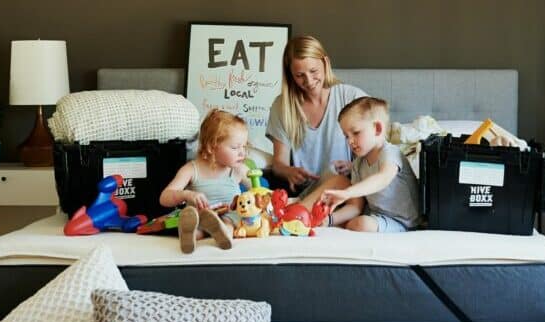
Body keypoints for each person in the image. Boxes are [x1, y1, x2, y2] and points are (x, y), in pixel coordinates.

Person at [265, 35, 366, 227]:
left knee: (340, 182)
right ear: (290, 75)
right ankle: (297, 216)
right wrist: (289, 171)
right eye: (299, 75)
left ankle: (291, 217)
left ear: (325, 63)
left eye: (313, 71)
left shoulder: (350, 97)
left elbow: (375, 149)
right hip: (307, 193)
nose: (309, 80)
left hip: (346, 192)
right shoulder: (282, 106)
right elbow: (279, 163)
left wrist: (354, 166)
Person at [322, 97, 421, 232]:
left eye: (356, 133)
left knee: (362, 224)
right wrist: (329, 220)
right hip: (376, 217)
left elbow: (383, 179)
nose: (350, 141)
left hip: (403, 222)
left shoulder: (390, 153)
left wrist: (347, 192)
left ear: (377, 129)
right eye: (346, 136)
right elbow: (355, 207)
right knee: (356, 221)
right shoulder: (358, 164)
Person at [160, 109, 251, 253]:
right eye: (235, 147)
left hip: (229, 214)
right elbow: (164, 198)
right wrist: (186, 195)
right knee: (198, 222)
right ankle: (190, 235)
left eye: (244, 146)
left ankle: (222, 233)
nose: (242, 153)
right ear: (211, 147)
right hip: (201, 217)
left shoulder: (239, 169)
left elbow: (259, 191)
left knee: (231, 219)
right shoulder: (191, 169)